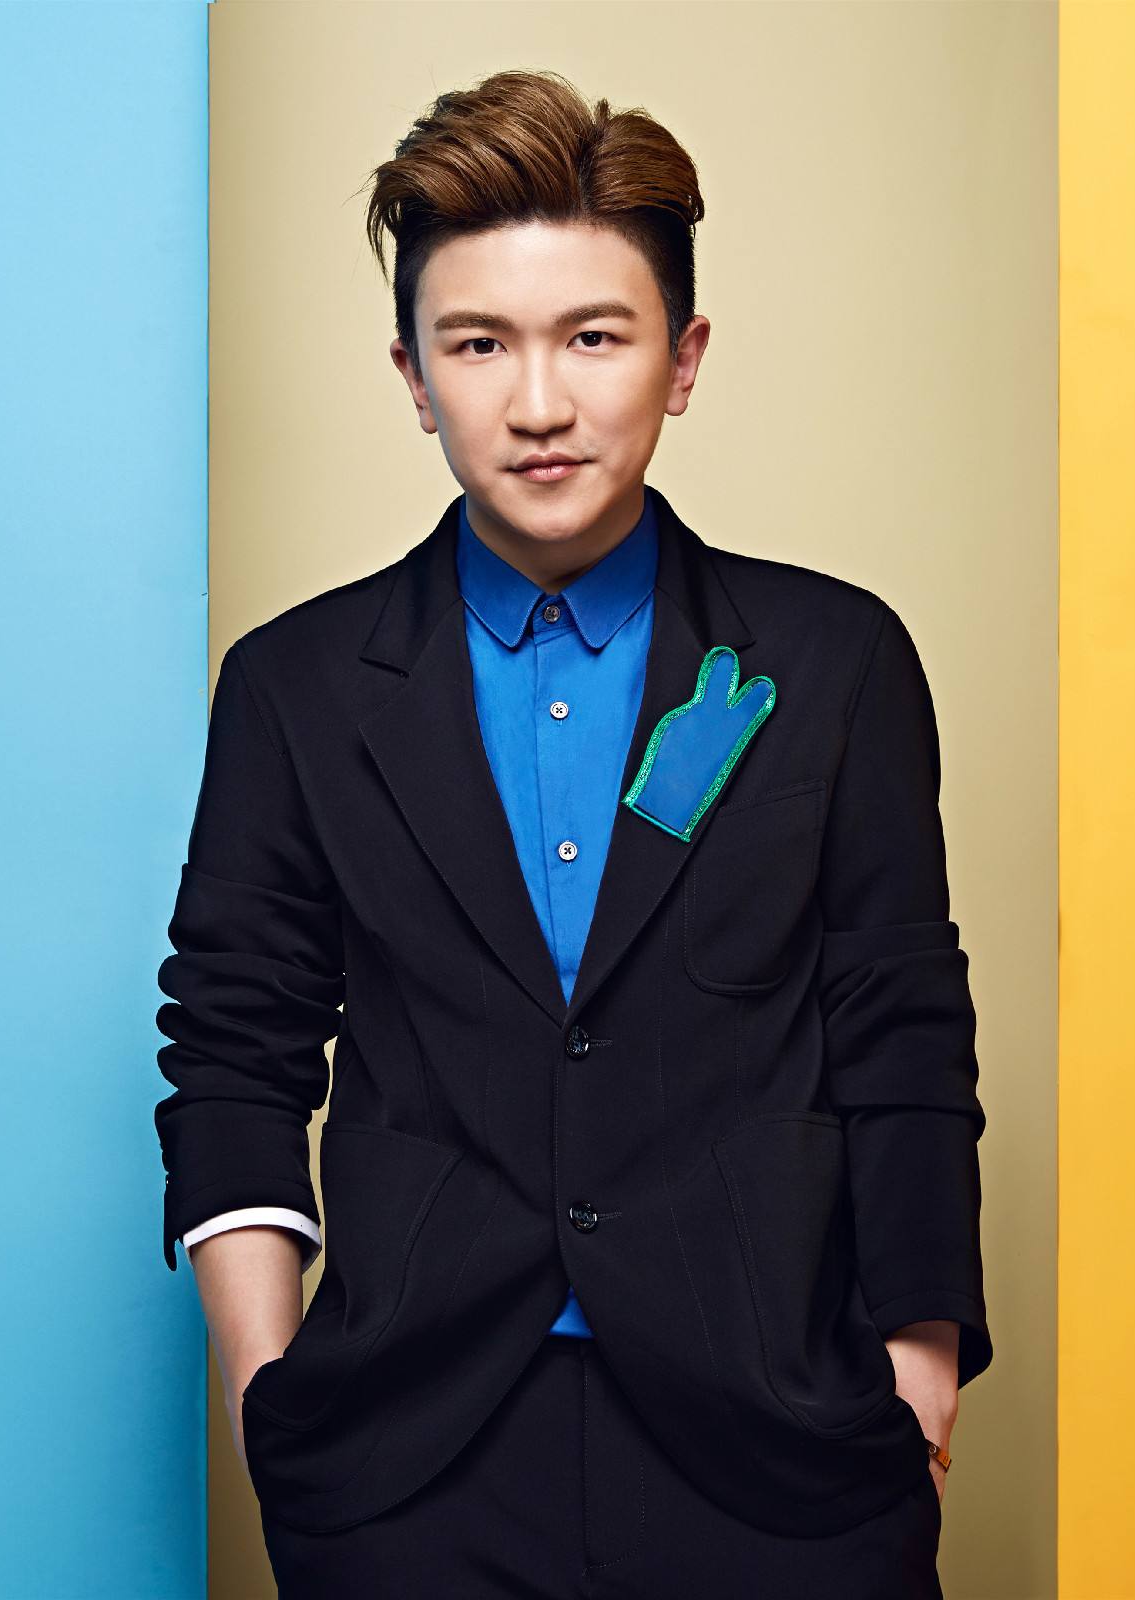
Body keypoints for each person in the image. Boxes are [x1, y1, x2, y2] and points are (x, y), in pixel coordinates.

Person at [154, 67, 991, 1599]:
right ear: (414, 375)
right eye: (476, 344)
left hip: (778, 1449)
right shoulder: (293, 685)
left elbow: (900, 1025)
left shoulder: (835, 659)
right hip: (407, 1459)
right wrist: (268, 1397)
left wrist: (915, 1374)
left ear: (683, 358)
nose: (536, 404)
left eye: (593, 337)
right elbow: (233, 1045)